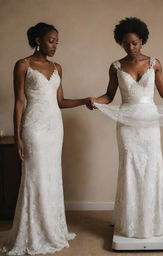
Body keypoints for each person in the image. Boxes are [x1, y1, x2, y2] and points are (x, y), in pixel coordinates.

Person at [85, 17, 163, 238]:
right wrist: (94, 101)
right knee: (130, 168)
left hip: (150, 124)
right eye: (126, 43)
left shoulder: (154, 63)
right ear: (120, 43)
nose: (131, 48)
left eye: (135, 43)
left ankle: (152, 222)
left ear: (142, 40)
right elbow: (109, 96)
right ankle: (129, 222)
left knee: (151, 168)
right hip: (127, 126)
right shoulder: (116, 66)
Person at [2, 22, 88, 255]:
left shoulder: (58, 67)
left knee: (51, 176)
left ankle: (52, 228)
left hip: (55, 127)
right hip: (34, 127)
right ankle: (32, 231)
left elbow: (60, 101)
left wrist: (85, 100)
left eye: (57, 42)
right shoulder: (23, 65)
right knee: (35, 176)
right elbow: (19, 102)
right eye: (51, 40)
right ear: (38, 40)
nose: (55, 46)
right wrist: (18, 134)